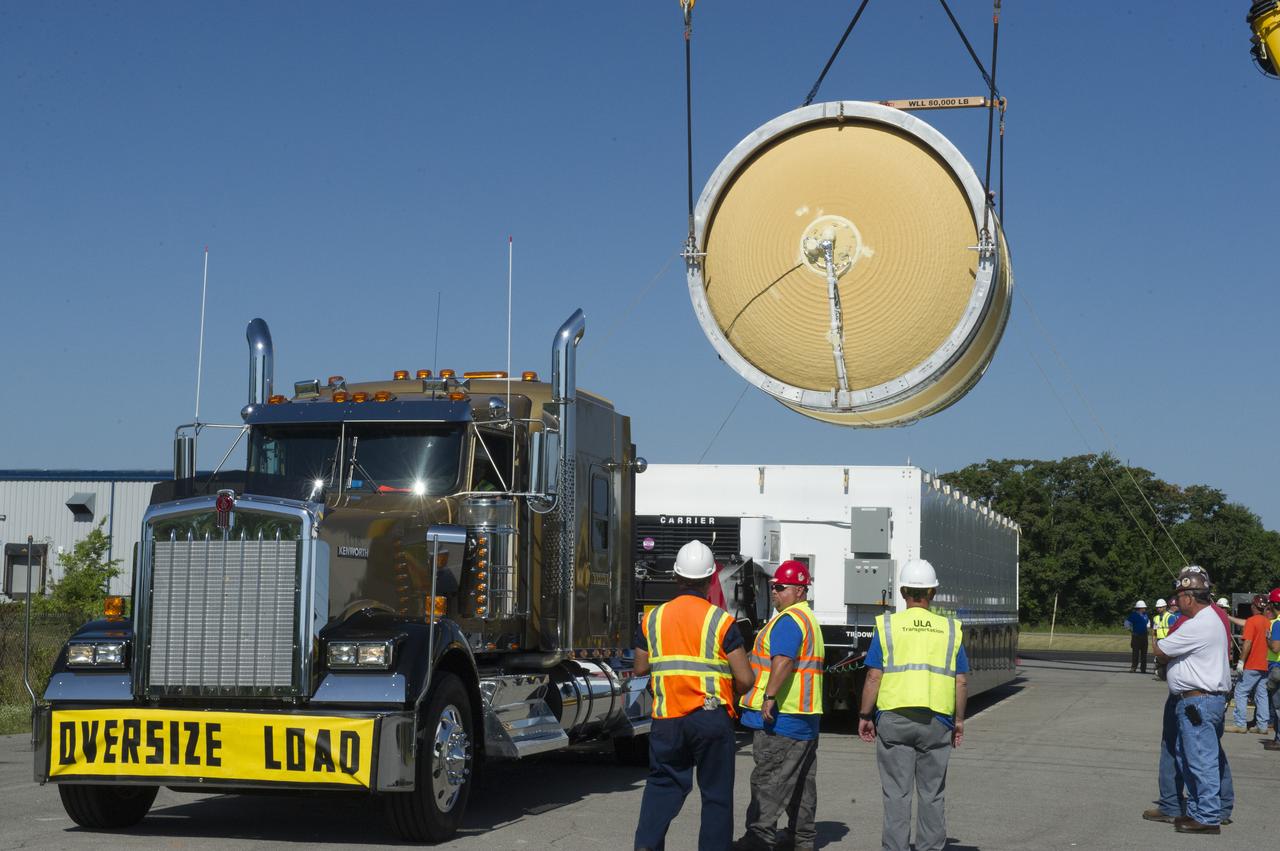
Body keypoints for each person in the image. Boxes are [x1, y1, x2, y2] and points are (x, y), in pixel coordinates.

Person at [633, 539, 754, 851]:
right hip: (711, 717)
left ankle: (646, 846)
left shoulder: (653, 619)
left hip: (668, 719)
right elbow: (745, 678)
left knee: (662, 787)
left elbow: (640, 667)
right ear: (711, 578)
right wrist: (731, 692)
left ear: (676, 576)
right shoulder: (721, 620)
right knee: (716, 796)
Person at [858, 559, 968, 851]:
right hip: (937, 723)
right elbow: (960, 682)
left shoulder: (888, 626)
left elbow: (873, 676)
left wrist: (865, 714)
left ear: (903, 591)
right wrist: (958, 721)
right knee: (932, 794)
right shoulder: (950, 629)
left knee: (897, 794)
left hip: (894, 720)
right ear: (933, 593)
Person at [733, 560, 824, 851]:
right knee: (801, 783)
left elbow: (783, 661)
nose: (774, 591)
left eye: (781, 587)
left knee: (768, 780)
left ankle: (758, 839)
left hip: (782, 717)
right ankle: (801, 838)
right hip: (804, 716)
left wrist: (769, 696)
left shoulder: (789, 620)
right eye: (773, 586)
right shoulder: (807, 618)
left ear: (800, 590)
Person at [1151, 566, 1233, 834]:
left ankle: (1207, 816)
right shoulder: (1211, 618)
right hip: (1203, 700)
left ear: (1188, 596)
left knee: (1200, 760)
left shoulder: (1198, 624)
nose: (1177, 601)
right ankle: (1203, 811)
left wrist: (1155, 635)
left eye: (1179, 596)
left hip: (1198, 701)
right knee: (1198, 757)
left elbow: (1161, 650)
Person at [1226, 595, 1271, 734]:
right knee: (1261, 694)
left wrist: (1241, 661)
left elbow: (1247, 643)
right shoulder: (1268, 622)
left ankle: (1240, 724)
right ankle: (1262, 725)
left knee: (1241, 692)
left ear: (1253, 606)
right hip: (1265, 663)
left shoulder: (1252, 621)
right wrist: (1229, 617)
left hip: (1252, 664)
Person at [1265, 588, 1280, 752]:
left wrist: (1267, 638)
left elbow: (1275, 648)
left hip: (1277, 667)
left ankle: (1279, 739)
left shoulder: (1277, 623)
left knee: (1278, 706)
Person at [1126, 600, 1151, 674]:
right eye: (1144, 608)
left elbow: (1148, 622)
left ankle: (1143, 669)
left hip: (1144, 636)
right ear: (1140, 608)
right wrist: (1130, 630)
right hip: (1136, 636)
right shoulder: (1133, 615)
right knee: (1135, 653)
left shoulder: (1145, 615)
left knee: (1144, 653)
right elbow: (1126, 623)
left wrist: (1147, 628)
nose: (1145, 609)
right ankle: (1133, 668)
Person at [1152, 599, 1173, 681]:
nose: (1158, 609)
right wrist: (1154, 643)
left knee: (1168, 659)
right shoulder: (1156, 618)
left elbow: (1173, 630)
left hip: (1168, 641)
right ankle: (1161, 675)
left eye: (1160, 607)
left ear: (1165, 607)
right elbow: (1154, 632)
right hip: (1159, 641)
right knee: (1159, 659)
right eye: (1157, 607)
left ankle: (1169, 676)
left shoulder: (1170, 617)